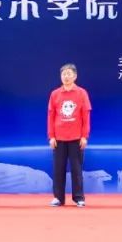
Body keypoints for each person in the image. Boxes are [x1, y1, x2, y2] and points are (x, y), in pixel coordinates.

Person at [47, 63, 92, 207]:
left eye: (69, 74)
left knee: (76, 169)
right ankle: (58, 197)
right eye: (63, 74)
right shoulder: (55, 94)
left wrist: (84, 136)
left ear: (75, 76)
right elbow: (51, 116)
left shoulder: (82, 93)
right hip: (59, 138)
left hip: (76, 138)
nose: (66, 77)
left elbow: (85, 117)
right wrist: (51, 136)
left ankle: (79, 197)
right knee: (58, 169)